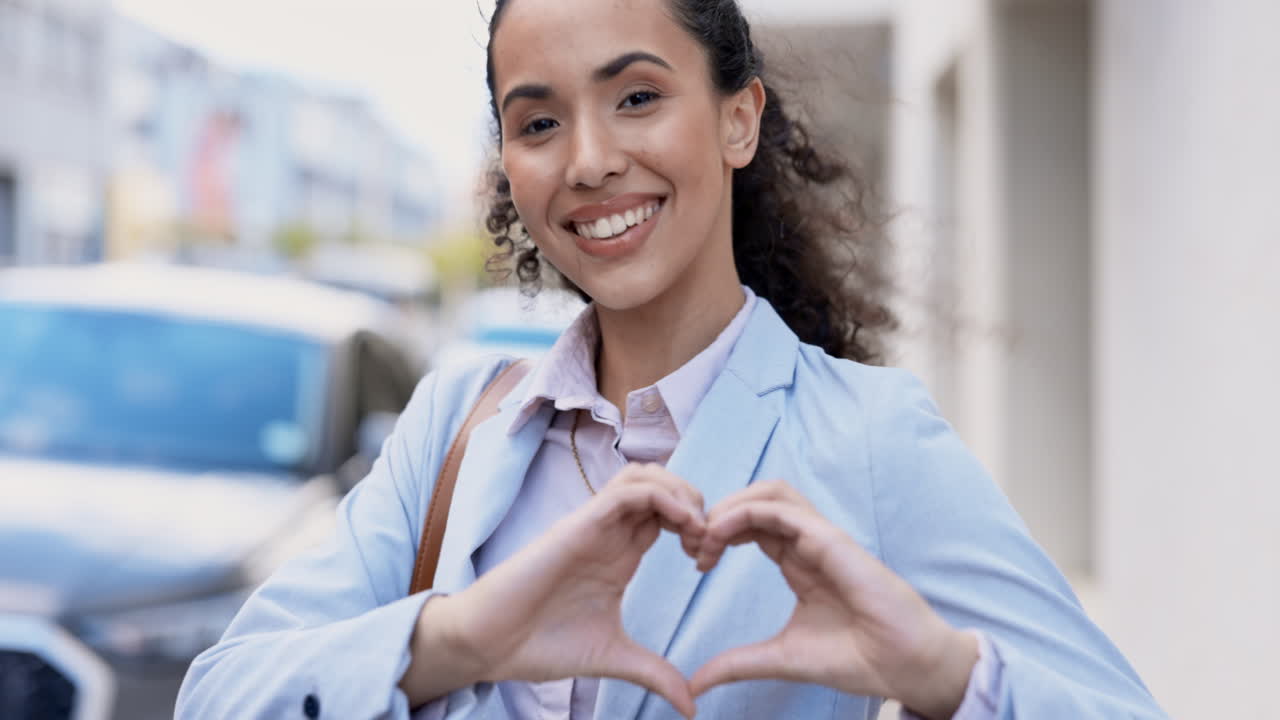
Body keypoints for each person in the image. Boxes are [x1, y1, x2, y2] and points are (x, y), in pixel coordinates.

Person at [176, 0, 1168, 718]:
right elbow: (219, 696)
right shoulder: (456, 422)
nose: (588, 159)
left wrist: (949, 676)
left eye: (637, 96)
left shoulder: (868, 440)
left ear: (738, 119)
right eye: (537, 122)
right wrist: (461, 639)